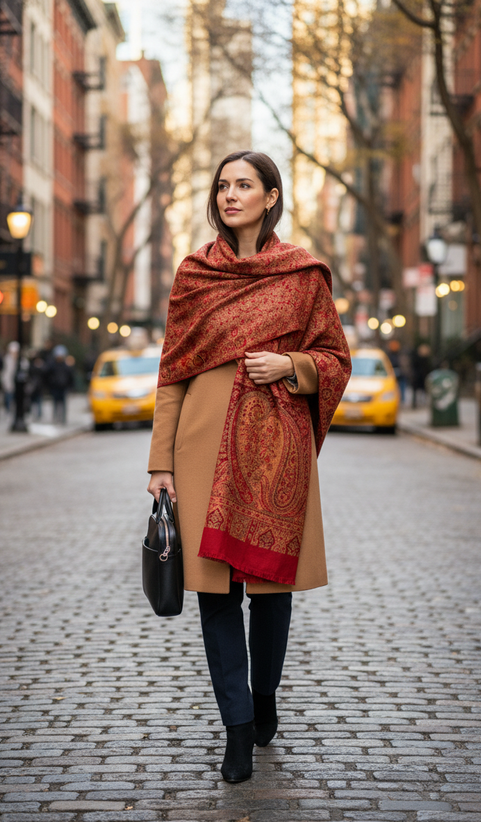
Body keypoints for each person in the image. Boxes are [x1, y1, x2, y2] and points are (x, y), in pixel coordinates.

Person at [147, 150, 352, 784]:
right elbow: (172, 376)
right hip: (201, 449)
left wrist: (291, 366)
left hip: (274, 451)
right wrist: (161, 464)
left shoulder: (303, 275)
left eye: (244, 185)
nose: (230, 194)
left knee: (268, 594)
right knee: (215, 594)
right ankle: (236, 727)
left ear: (270, 196)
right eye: (222, 186)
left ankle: (265, 698)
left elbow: (337, 359)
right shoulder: (194, 274)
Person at [45, 344, 74, 424]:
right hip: (55, 387)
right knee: (55, 403)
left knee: (63, 404)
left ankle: (63, 419)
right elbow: (47, 374)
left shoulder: (66, 366)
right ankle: (55, 418)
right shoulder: (52, 365)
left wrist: (70, 387)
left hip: (63, 387)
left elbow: (70, 376)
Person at [0, 341, 19, 414]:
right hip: (8, 382)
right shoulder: (6, 359)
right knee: (8, 397)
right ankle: (8, 411)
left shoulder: (21, 360)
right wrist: (3, 381)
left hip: (17, 383)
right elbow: (5, 372)